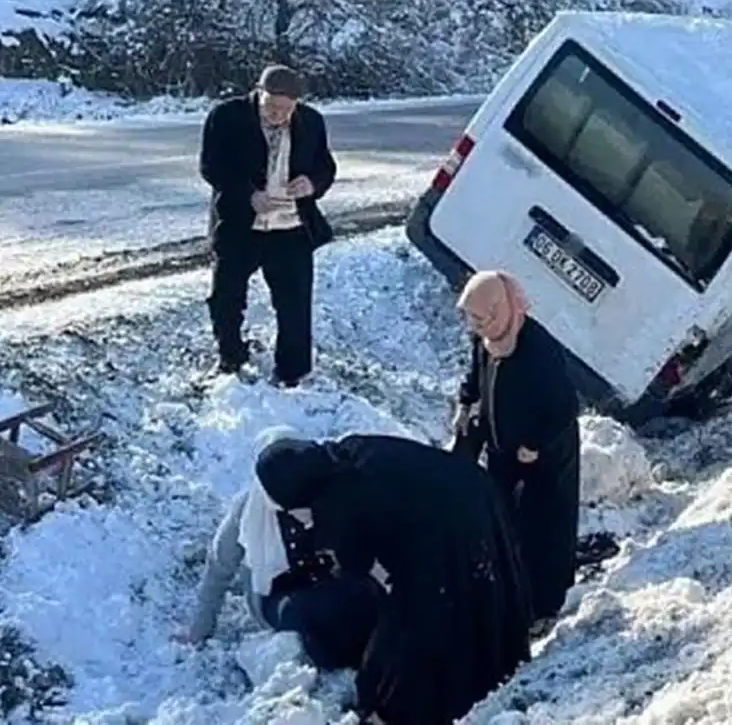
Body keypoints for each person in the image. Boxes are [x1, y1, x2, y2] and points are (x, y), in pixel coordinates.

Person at [255, 432, 533, 725]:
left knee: (439, 608)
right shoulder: (349, 450)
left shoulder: (337, 503)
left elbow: (368, 572)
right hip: (473, 489)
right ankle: (501, 658)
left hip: (450, 524)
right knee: (481, 590)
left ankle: (431, 701)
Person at [179, 426, 382, 670]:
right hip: (279, 594)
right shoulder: (249, 508)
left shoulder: (325, 495)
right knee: (310, 614)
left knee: (364, 598)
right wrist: (199, 629)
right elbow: (219, 567)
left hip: (329, 579)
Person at [451, 270, 582, 630]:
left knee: (544, 527)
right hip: (504, 446)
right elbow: (476, 374)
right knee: (505, 522)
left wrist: (534, 445)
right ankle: (512, 596)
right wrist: (466, 404)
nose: (476, 326)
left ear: (500, 309)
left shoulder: (537, 348)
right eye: (472, 318)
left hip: (546, 454)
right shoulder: (489, 339)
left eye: (481, 317)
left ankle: (544, 606)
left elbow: (565, 406)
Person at [200, 65, 337, 387]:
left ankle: (293, 373)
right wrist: (247, 195)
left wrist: (312, 184)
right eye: (271, 108)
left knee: (295, 304)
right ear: (258, 93)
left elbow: (325, 166)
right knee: (226, 298)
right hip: (239, 226)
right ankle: (231, 360)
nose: (277, 116)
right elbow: (211, 168)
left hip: (290, 228)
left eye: (285, 110)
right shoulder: (226, 117)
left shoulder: (312, 121)